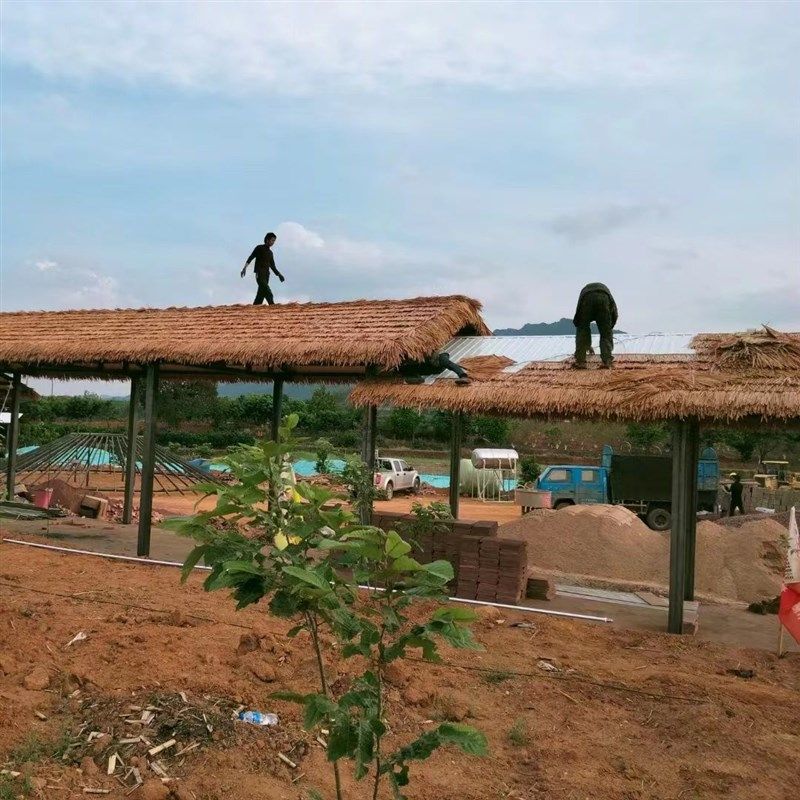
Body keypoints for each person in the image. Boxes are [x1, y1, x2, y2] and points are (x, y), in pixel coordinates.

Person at [573, 282, 618, 368]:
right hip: (604, 297)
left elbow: (579, 320)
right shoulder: (607, 295)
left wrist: (584, 345)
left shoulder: (585, 293)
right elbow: (614, 313)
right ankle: (607, 361)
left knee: (582, 329)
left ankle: (580, 362)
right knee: (605, 333)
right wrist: (609, 328)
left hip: (587, 297)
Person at [241, 232, 285, 305]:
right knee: (268, 292)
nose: (273, 242)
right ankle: (272, 306)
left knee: (261, 295)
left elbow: (273, 266)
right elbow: (251, 257)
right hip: (259, 274)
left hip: (267, 275)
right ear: (267, 240)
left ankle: (255, 308)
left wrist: (279, 275)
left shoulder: (270, 253)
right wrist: (244, 268)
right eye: (272, 240)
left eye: (274, 241)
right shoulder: (259, 248)